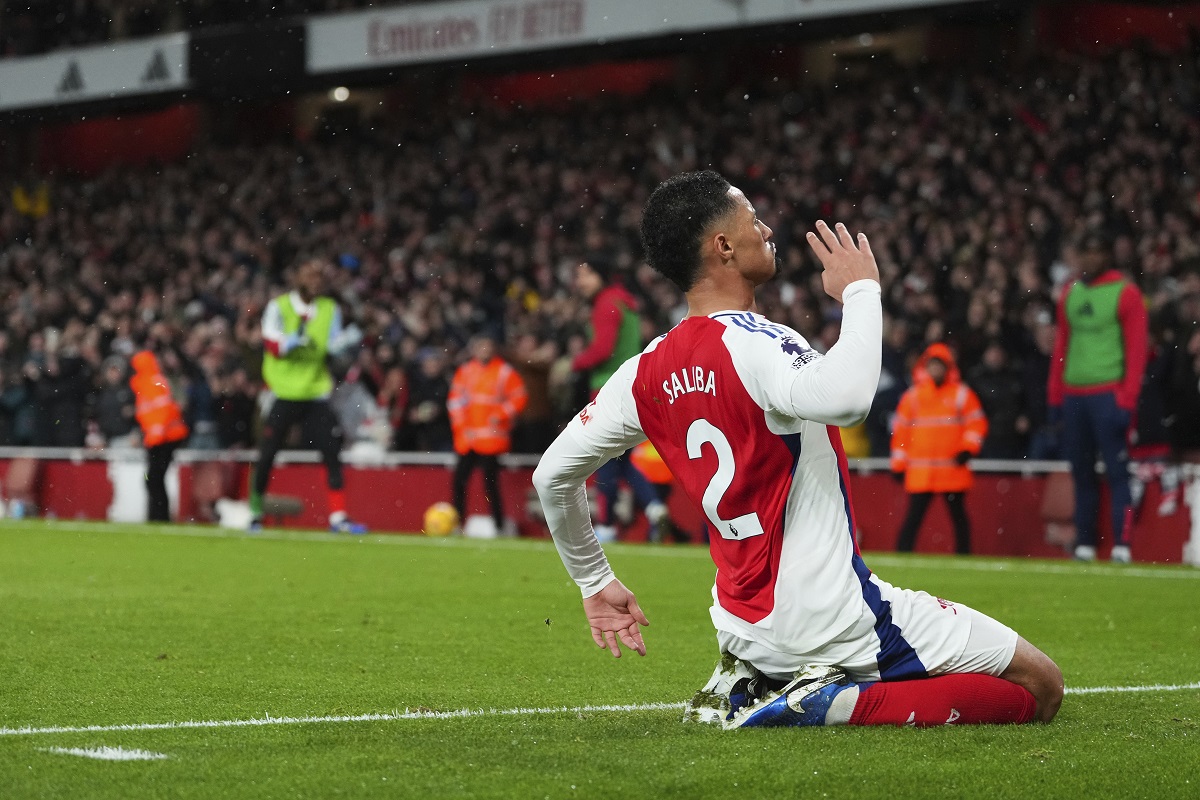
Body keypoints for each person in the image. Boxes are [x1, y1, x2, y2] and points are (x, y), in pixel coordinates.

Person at [533, 170, 1062, 732]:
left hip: (743, 623)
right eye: (751, 219)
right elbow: (849, 399)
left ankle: (760, 675)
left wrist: (594, 581)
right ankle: (830, 702)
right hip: (829, 614)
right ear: (724, 247)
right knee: (1040, 686)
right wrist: (861, 291)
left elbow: (551, 478)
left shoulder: (643, 371)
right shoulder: (759, 342)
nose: (765, 228)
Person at [1048, 231, 1148, 563]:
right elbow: (1061, 347)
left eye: (1095, 253)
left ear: (1107, 255)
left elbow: (1136, 352)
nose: (1089, 260)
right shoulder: (1071, 292)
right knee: (1082, 473)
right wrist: (1056, 396)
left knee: (1118, 474)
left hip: (1108, 394)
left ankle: (1122, 544)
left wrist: (1127, 400)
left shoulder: (1126, 293)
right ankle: (1086, 543)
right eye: (1084, 253)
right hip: (1075, 395)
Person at [250, 259, 366, 534]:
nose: (317, 283)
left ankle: (338, 517)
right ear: (299, 280)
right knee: (267, 453)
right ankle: (255, 513)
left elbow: (333, 345)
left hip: (315, 391)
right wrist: (290, 341)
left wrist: (348, 340)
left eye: (320, 279)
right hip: (284, 391)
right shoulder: (279, 307)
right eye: (311, 278)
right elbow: (271, 343)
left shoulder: (329, 309)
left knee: (331, 449)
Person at [572, 254, 671, 542]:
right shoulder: (626, 303)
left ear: (599, 275)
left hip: (607, 389)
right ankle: (654, 508)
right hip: (632, 387)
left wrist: (575, 363)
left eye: (585, 274)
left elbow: (602, 350)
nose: (579, 282)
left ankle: (605, 525)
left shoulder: (605, 304)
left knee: (602, 459)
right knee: (623, 460)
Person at [891, 343, 988, 555]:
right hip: (924, 471)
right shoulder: (913, 397)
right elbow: (901, 433)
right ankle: (902, 554)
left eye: (939, 366)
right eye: (932, 366)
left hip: (950, 469)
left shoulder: (960, 395)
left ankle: (963, 555)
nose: (935, 371)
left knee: (958, 519)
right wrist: (898, 464)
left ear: (948, 368)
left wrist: (967, 449)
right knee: (914, 518)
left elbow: (977, 425)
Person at [447, 333, 527, 535]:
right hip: (469, 439)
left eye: (488, 346)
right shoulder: (465, 372)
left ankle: (498, 526)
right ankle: (457, 524)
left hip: (491, 439)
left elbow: (519, 397)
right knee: (459, 481)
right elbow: (455, 401)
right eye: (481, 347)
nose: (485, 351)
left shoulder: (503, 372)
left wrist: (500, 415)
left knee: (490, 485)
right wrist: (462, 428)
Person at [130, 349, 190, 522]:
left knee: (154, 479)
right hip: (166, 437)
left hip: (164, 438)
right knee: (155, 479)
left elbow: (160, 412)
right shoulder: (152, 382)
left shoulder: (152, 382)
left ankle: (158, 517)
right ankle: (159, 516)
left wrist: (154, 437)